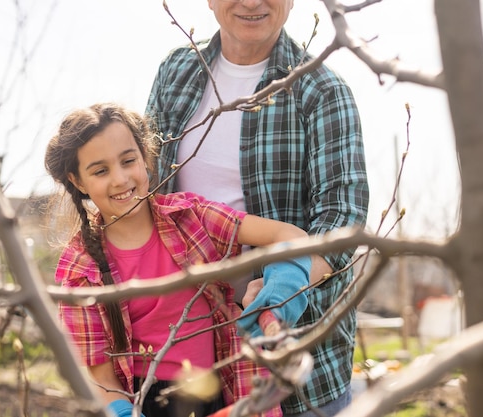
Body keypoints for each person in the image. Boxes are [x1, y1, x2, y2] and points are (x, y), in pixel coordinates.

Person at [145, 1, 370, 416]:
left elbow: (343, 214)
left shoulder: (320, 90)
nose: (251, 3)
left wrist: (288, 285)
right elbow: (148, 189)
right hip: (188, 351)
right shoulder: (175, 73)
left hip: (290, 357)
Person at [44, 102, 313, 417]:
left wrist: (280, 297)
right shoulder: (80, 271)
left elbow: (291, 237)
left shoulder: (190, 217)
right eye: (100, 170)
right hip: (143, 404)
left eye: (128, 161)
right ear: (77, 181)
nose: (119, 179)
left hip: (221, 391)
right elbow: (101, 380)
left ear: (145, 157)